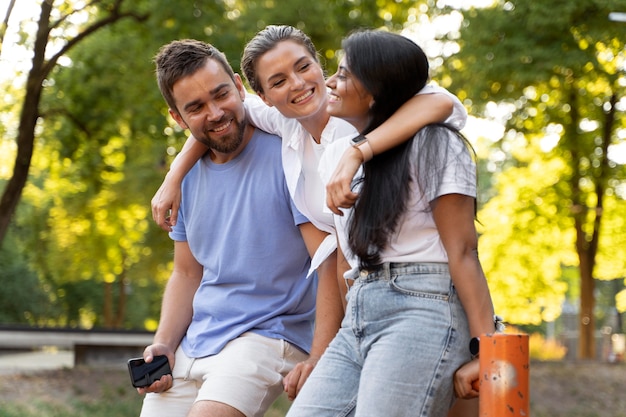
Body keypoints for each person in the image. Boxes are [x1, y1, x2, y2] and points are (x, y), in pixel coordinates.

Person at [149, 26, 470, 408]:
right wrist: (175, 174)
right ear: (263, 96)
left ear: (321, 65)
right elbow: (210, 116)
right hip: (359, 310)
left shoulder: (361, 118)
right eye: (279, 81)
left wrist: (358, 152)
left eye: (304, 67)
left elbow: (442, 102)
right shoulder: (287, 130)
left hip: (419, 294)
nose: (298, 84)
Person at [285, 30, 497, 417]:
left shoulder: (435, 143)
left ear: (376, 91)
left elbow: (464, 251)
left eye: (345, 74)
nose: (330, 82)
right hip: (361, 313)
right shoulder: (347, 157)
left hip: (423, 307)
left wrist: (485, 349)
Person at [137, 39, 321, 417]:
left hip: (269, 335)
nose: (216, 112)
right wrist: (165, 344)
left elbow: (326, 257)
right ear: (178, 119)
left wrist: (323, 354)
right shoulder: (185, 178)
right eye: (196, 108)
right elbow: (187, 272)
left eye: (221, 94)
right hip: (197, 341)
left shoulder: (288, 154)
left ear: (240, 86)